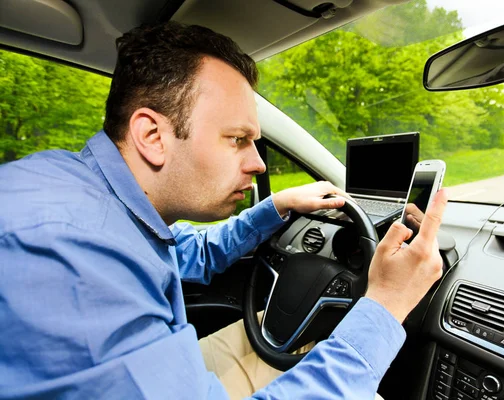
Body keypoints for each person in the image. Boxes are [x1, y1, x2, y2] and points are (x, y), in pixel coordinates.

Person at [0, 22, 447, 399]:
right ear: (152, 136)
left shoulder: (89, 198)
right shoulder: (70, 254)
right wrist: (385, 306)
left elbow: (190, 254)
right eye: (237, 139)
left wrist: (274, 206)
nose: (258, 162)